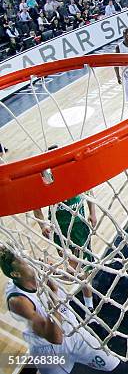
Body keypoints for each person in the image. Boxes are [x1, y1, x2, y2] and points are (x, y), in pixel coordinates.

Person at [0, 247, 120, 373]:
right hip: (49, 351)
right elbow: (56, 338)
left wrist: (68, 267)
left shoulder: (43, 268)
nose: (32, 260)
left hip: (75, 332)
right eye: (26, 260)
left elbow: (81, 279)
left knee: (117, 367)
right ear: (16, 274)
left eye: (29, 255)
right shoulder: (18, 301)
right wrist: (54, 294)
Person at [33, 146, 97, 311]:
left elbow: (89, 192)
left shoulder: (75, 175)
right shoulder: (45, 182)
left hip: (80, 228)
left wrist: (92, 213)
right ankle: (50, 272)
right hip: (61, 232)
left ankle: (88, 306)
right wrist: (43, 225)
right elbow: (37, 208)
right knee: (78, 272)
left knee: (83, 271)